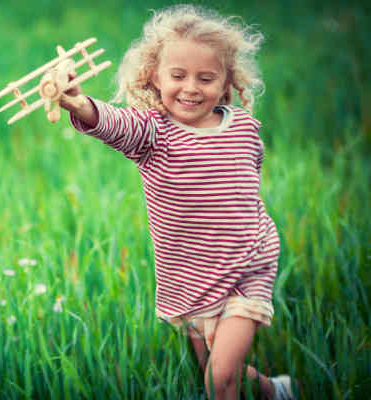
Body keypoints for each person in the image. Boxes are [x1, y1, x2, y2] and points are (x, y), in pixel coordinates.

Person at [59, 5, 296, 400]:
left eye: (206, 78)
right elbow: (112, 123)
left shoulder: (242, 128)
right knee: (221, 373)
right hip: (191, 278)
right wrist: (79, 104)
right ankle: (277, 392)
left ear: (225, 83)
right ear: (154, 75)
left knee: (218, 382)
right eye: (178, 75)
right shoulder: (152, 132)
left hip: (248, 267)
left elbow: (248, 179)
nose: (191, 88)